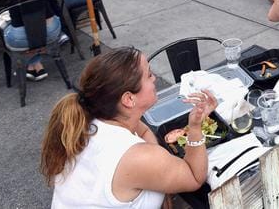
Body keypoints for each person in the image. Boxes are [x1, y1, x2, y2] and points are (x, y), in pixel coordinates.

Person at [42, 47, 217, 208]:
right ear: (128, 99)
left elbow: (143, 131)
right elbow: (195, 177)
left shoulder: (91, 116)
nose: (155, 78)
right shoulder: (136, 156)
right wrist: (195, 127)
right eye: (149, 75)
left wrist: (160, 170)